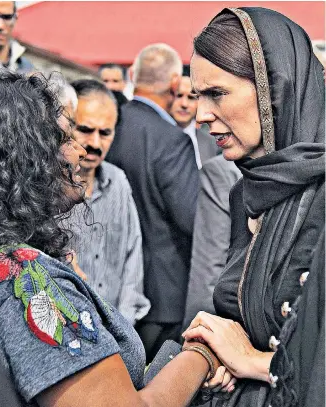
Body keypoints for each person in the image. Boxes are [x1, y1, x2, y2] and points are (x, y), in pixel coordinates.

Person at [0, 70, 237, 407]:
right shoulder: (25, 282)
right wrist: (204, 352)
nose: (81, 151)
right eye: (66, 137)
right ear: (29, 157)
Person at [182, 7, 325, 407]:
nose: (201, 115)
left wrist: (255, 362)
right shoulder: (247, 194)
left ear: (272, 91)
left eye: (216, 93)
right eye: (197, 95)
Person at [105, 43, 200, 362]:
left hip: (109, 282)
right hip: (164, 292)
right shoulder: (171, 140)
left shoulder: (110, 127)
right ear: (176, 83)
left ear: (132, 76)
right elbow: (193, 217)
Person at [66, 78, 150, 325]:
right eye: (85, 129)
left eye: (105, 133)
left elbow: (132, 258)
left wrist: (123, 329)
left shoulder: (118, 181)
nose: (94, 143)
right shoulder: (45, 189)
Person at [183, 155, 241, 328]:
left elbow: (209, 266)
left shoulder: (223, 172)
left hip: (238, 332)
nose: (207, 126)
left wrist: (196, 336)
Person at [170, 67, 218, 168]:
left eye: (191, 97)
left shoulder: (212, 143)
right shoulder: (153, 138)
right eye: (179, 96)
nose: (184, 104)